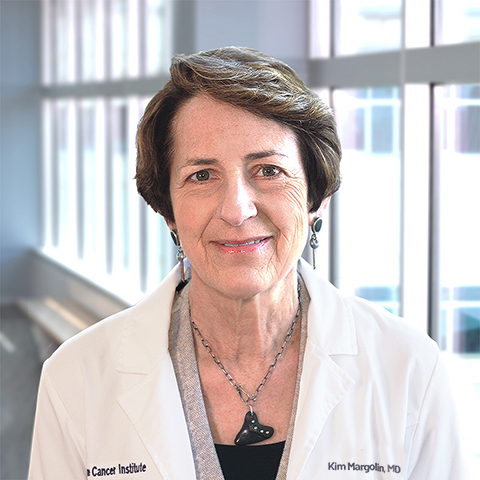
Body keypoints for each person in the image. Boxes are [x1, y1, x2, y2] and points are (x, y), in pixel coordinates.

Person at [28, 47, 466, 480]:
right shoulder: (76, 377)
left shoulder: (408, 368)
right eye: (202, 175)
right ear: (168, 211)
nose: (237, 210)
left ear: (315, 197)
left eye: (268, 170)